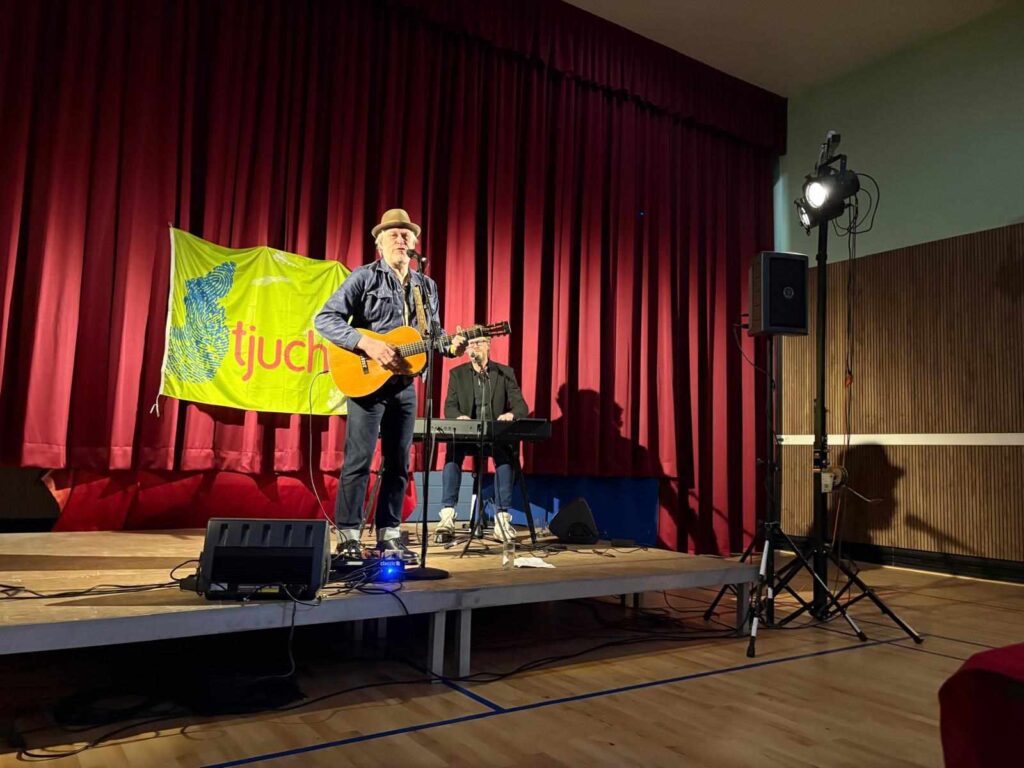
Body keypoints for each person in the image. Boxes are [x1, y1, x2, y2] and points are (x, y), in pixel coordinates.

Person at [314, 208, 467, 560]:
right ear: (379, 243)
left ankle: (389, 534)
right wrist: (366, 343)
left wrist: (451, 345)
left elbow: (433, 334)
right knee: (359, 460)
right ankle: (349, 536)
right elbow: (325, 318)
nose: (401, 239)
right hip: (366, 383)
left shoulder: (426, 286)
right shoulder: (364, 277)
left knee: (399, 462)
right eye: (394, 234)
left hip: (405, 384)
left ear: (414, 244)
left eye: (406, 234)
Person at [436, 333, 529, 543]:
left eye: (478, 342)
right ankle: (447, 516)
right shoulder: (457, 374)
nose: (474, 347)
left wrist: (511, 414)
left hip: (494, 435)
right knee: (452, 452)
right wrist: (459, 417)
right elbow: (449, 407)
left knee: (505, 454)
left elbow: (521, 406)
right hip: (467, 435)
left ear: (488, 345)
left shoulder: (504, 373)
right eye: (470, 344)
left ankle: (502, 520)